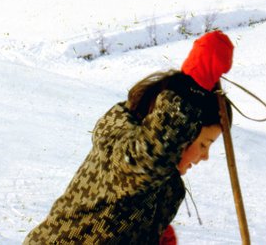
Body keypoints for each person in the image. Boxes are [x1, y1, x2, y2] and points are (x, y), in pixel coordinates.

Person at [26, 30, 235, 244]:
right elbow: (153, 151)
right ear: (183, 132)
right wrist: (192, 87)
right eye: (204, 144)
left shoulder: (154, 179)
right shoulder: (124, 157)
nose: (205, 156)